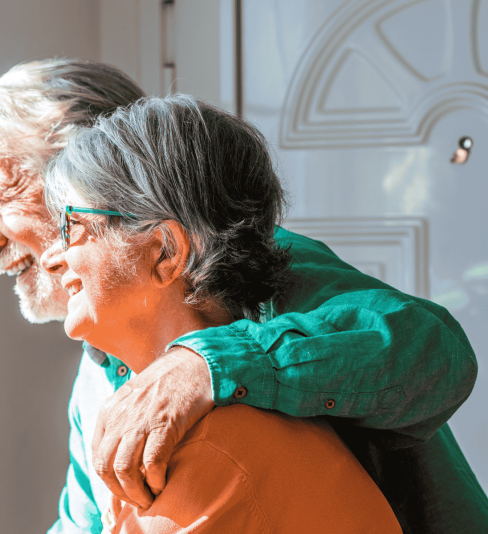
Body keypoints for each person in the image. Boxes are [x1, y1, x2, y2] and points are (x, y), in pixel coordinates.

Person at [0, 58, 486, 533]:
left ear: (103, 165)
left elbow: (437, 356)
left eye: (1, 199)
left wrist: (205, 364)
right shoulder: (96, 370)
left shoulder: (252, 265)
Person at [38, 94, 401, 533]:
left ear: (165, 252)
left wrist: (204, 364)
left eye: (70, 227)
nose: (51, 259)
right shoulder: (154, 417)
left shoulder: (209, 452)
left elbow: (433, 346)